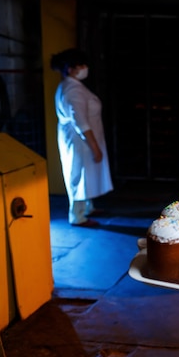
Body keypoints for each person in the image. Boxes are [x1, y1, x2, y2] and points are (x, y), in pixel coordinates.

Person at [50, 48, 113, 227]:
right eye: (81, 65)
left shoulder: (72, 86)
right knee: (78, 174)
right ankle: (77, 216)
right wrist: (94, 146)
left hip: (81, 139)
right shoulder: (73, 90)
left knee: (86, 173)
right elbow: (81, 121)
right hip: (80, 141)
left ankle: (87, 208)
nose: (85, 68)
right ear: (71, 69)